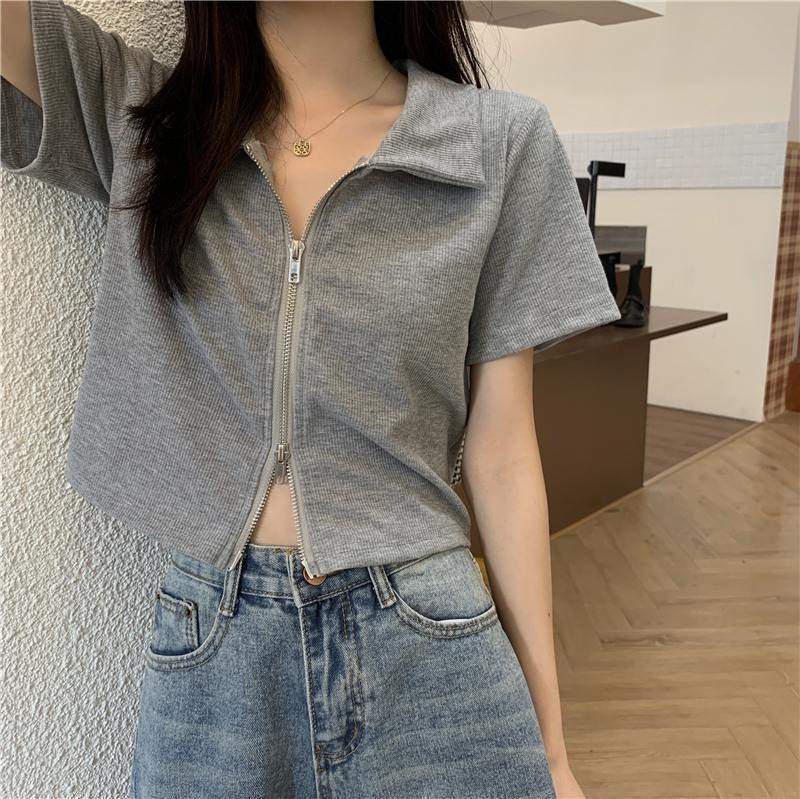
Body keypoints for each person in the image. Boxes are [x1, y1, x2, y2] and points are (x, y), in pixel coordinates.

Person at [1, 1, 622, 797]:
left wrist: (553, 748)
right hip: (214, 651)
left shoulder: (498, 144)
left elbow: (503, 454)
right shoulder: (144, 121)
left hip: (428, 636)